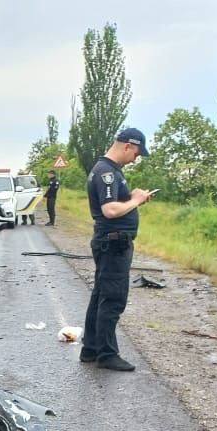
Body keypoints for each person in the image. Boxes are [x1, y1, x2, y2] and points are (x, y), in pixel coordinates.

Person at [81, 128, 154, 372]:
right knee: (112, 299)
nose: (137, 158)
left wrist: (132, 196)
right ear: (126, 146)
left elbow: (114, 204)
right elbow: (110, 210)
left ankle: (90, 349)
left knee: (100, 295)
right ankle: (107, 354)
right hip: (113, 244)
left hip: (111, 242)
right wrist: (136, 201)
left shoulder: (110, 171)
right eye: (136, 152)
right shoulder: (106, 173)